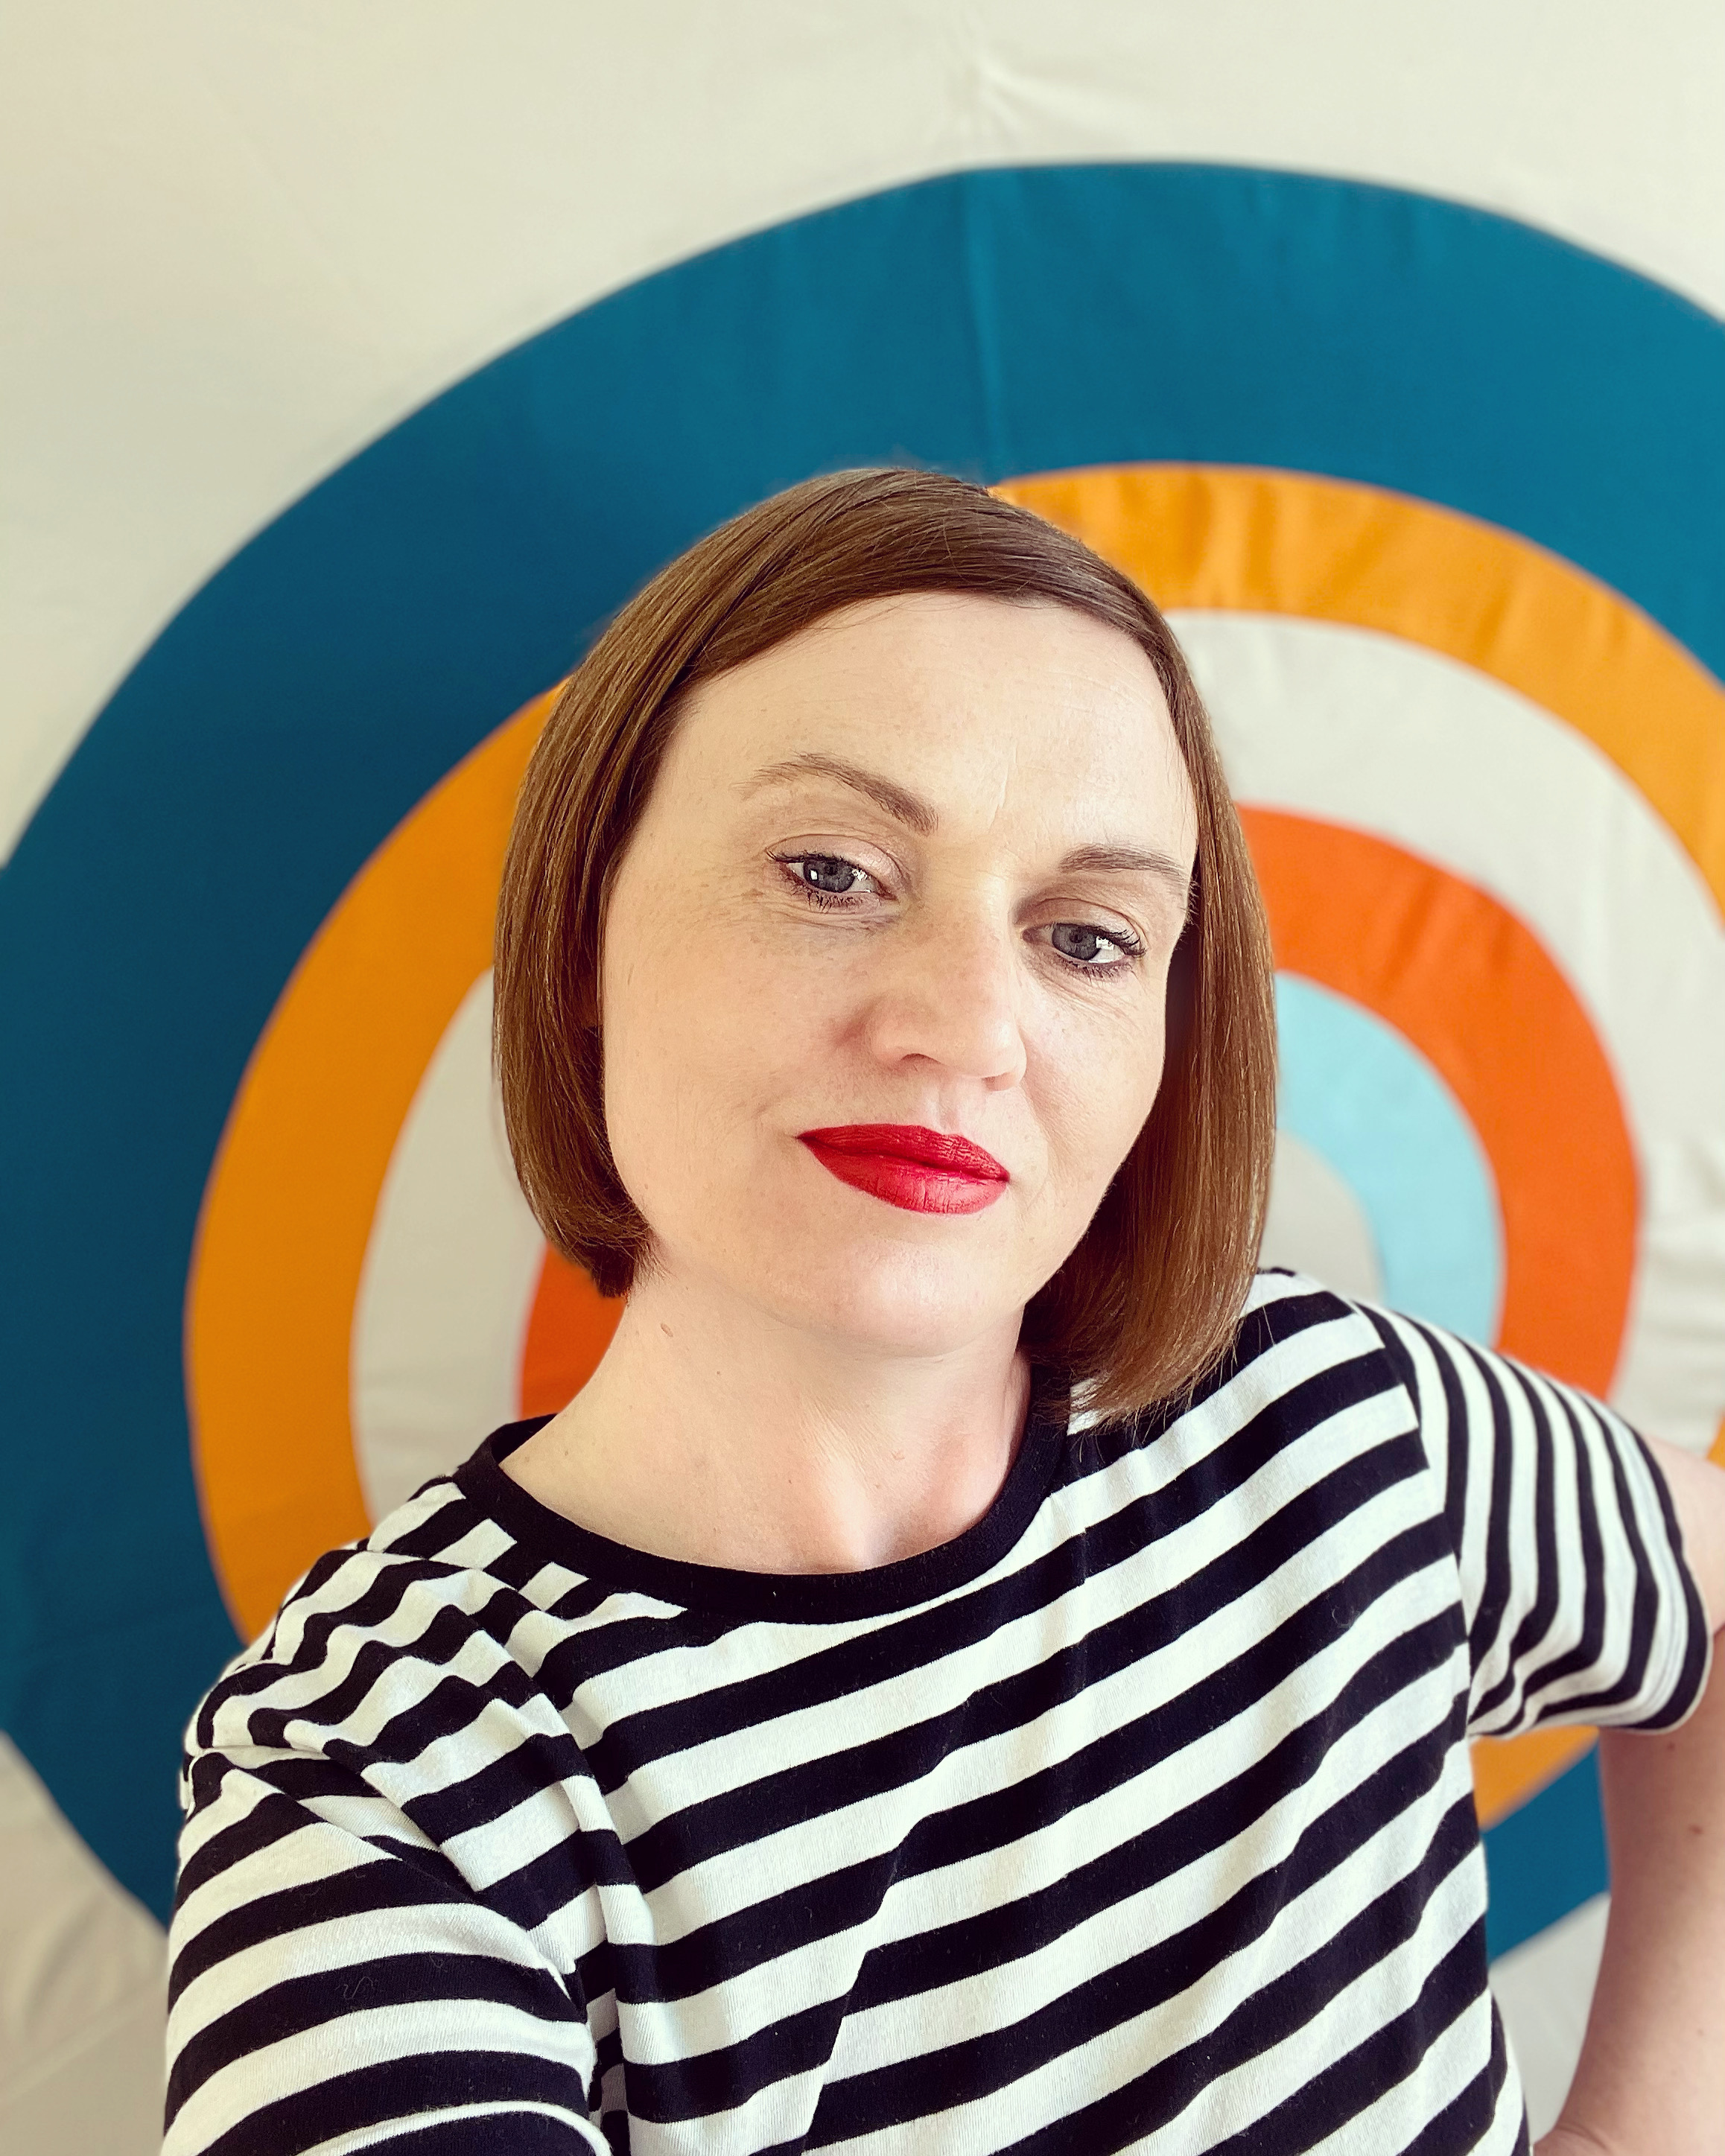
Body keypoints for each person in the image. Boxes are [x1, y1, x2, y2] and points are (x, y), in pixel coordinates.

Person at [162, 469, 1724, 2155]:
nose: (968, 1026)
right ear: (582, 935)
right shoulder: (380, 1780)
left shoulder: (1335, 1429)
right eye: (832, 870)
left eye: (1087, 934)